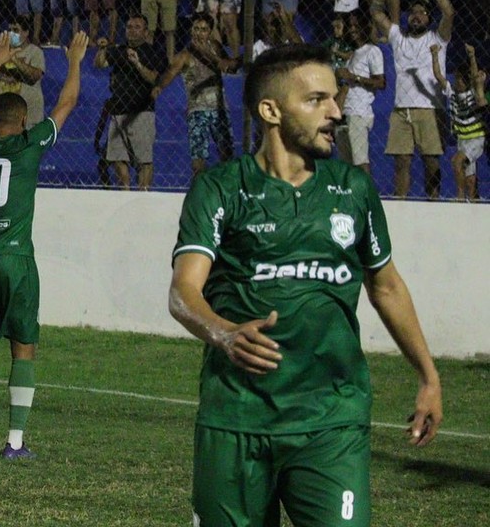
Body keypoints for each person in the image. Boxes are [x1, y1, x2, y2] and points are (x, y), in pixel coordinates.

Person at [168, 43, 442, 527]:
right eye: (317, 100)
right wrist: (223, 332)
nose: (336, 112)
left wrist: (428, 376)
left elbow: (386, 287)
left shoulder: (353, 189)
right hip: (236, 418)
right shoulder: (219, 189)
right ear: (270, 111)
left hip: (331, 421)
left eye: (334, 99)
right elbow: (183, 292)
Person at [0, 29, 89, 459]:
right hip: (14, 259)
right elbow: (66, 104)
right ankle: (14, 442)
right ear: (23, 122)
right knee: (23, 347)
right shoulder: (29, 145)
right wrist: (73, 62)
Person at [371, 0, 452, 198]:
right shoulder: (398, 37)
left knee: (431, 161)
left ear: (429, 18)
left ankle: (433, 203)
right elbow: (376, 11)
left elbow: (449, 12)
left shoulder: (438, 38)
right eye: (413, 12)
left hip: (431, 108)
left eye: (422, 12)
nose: (416, 15)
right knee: (401, 162)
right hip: (401, 108)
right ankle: (401, 203)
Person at [152, 13, 234, 177]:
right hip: (197, 110)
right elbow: (170, 73)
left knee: (227, 155)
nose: (199, 33)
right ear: (191, 31)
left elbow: (230, 66)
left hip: (220, 108)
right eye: (196, 29)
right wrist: (159, 87)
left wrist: (207, 52)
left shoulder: (216, 48)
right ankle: (199, 191)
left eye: (204, 29)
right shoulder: (184, 55)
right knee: (198, 159)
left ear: (210, 32)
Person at [93, 15, 160, 190]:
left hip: (142, 112)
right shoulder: (120, 49)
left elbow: (155, 79)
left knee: (145, 160)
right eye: (129, 26)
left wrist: (137, 63)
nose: (131, 29)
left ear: (146, 32)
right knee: (117, 158)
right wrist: (102, 48)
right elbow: (99, 63)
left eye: (137, 27)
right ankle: (125, 192)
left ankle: (143, 196)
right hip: (118, 111)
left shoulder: (152, 52)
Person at [431, 43, 486, 201]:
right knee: (469, 176)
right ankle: (473, 200)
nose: (457, 82)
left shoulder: (473, 92)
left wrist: (472, 56)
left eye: (460, 79)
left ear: (467, 80)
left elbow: (476, 76)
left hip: (475, 137)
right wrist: (434, 56)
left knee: (456, 161)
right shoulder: (452, 92)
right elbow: (439, 76)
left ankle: (460, 197)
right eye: (456, 79)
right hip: (462, 138)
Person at [335, 10, 384, 175]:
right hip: (345, 113)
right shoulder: (353, 55)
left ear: (365, 27)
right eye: (350, 26)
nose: (353, 29)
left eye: (357, 25)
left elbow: (381, 82)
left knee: (360, 162)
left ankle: (366, 197)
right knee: (347, 165)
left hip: (359, 113)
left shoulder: (372, 51)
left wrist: (353, 77)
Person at [0, 17, 46, 128]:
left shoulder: (35, 52)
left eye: (15, 30)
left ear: (26, 32)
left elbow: (34, 77)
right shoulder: (2, 52)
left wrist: (14, 58)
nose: (11, 34)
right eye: (9, 30)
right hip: (7, 115)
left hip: (29, 115)